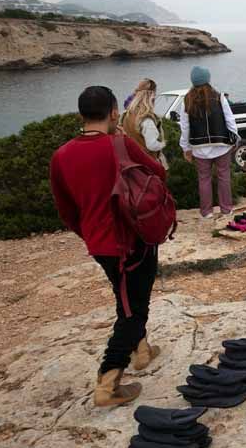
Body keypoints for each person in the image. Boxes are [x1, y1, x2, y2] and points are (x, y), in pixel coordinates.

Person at [50, 85, 168, 407]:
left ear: (81, 115)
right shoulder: (120, 143)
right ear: (115, 112)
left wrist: (89, 233)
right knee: (134, 309)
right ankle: (108, 382)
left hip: (99, 244)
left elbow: (66, 209)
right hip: (131, 241)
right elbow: (157, 171)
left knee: (126, 298)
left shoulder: (60, 156)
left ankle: (142, 351)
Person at [179, 66, 238, 219]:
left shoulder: (187, 99)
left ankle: (206, 212)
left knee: (203, 179)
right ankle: (226, 210)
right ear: (208, 79)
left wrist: (185, 148)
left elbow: (184, 127)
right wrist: (234, 139)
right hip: (221, 144)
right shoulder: (219, 97)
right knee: (224, 177)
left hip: (199, 148)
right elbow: (230, 120)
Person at [120, 78, 168, 168]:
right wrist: (164, 143)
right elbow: (152, 145)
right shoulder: (146, 120)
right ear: (151, 97)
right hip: (148, 163)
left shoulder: (127, 114)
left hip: (132, 162)